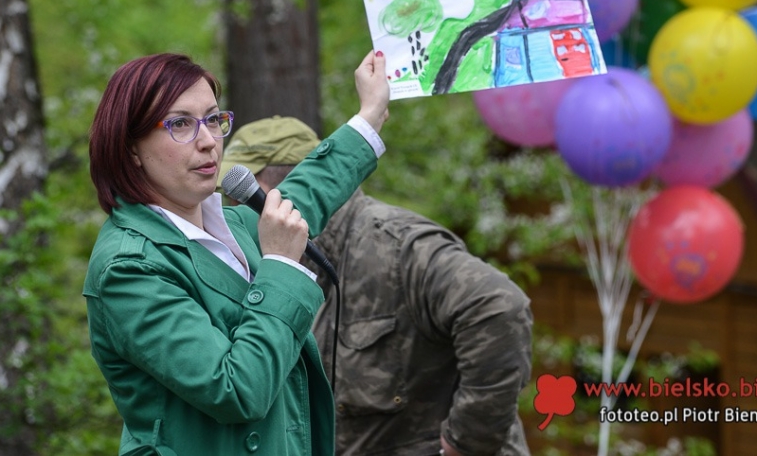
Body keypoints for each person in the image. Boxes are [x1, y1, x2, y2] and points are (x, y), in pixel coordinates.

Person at [83, 50, 390, 455]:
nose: (208, 141)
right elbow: (237, 390)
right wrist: (280, 265)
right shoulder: (129, 267)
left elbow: (306, 191)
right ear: (131, 148)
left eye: (213, 119)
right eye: (180, 124)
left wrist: (370, 115)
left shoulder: (236, 223)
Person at [219, 116, 534, 456]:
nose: (229, 211)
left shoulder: (397, 246)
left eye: (236, 199)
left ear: (274, 191)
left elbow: (499, 306)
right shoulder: (278, 262)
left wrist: (466, 443)